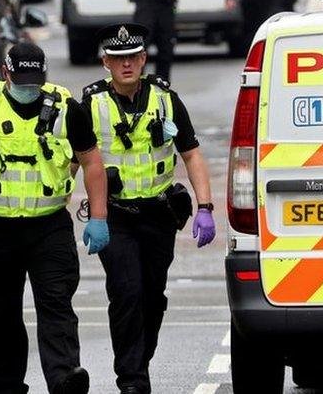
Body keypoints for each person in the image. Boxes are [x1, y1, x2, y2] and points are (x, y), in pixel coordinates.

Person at [0, 40, 108, 394]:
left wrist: (99, 216)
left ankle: (64, 378)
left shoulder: (66, 109)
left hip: (49, 227)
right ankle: (8, 382)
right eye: (22, 80)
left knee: (56, 302)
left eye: (35, 82)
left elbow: (91, 162)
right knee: (1, 311)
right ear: (5, 73)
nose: (30, 88)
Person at [83, 23, 216, 394]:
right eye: (117, 58)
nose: (126, 64)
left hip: (159, 214)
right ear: (105, 62)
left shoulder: (165, 99)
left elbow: (191, 154)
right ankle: (132, 380)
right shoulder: (91, 105)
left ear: (143, 59)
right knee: (126, 291)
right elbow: (71, 162)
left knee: (152, 297)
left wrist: (205, 206)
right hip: (115, 215)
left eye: (133, 57)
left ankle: (138, 361)